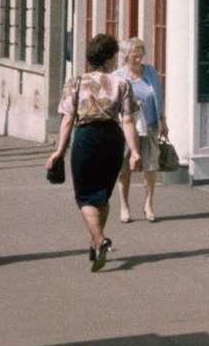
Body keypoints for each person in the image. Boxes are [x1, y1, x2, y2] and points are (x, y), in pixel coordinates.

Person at [46, 34, 141, 272]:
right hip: (112, 139)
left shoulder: (75, 82)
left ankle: (99, 240)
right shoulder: (122, 84)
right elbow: (128, 120)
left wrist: (59, 150)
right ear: (109, 59)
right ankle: (95, 241)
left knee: (85, 196)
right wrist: (134, 152)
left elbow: (67, 120)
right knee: (102, 196)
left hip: (86, 138)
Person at [114, 37, 167, 223]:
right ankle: (124, 206)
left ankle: (148, 204)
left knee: (151, 166)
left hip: (150, 124)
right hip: (126, 127)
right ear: (126, 57)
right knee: (125, 169)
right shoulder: (118, 76)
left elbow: (158, 97)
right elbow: (113, 103)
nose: (138, 60)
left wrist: (163, 120)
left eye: (141, 56)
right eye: (135, 56)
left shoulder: (151, 72)